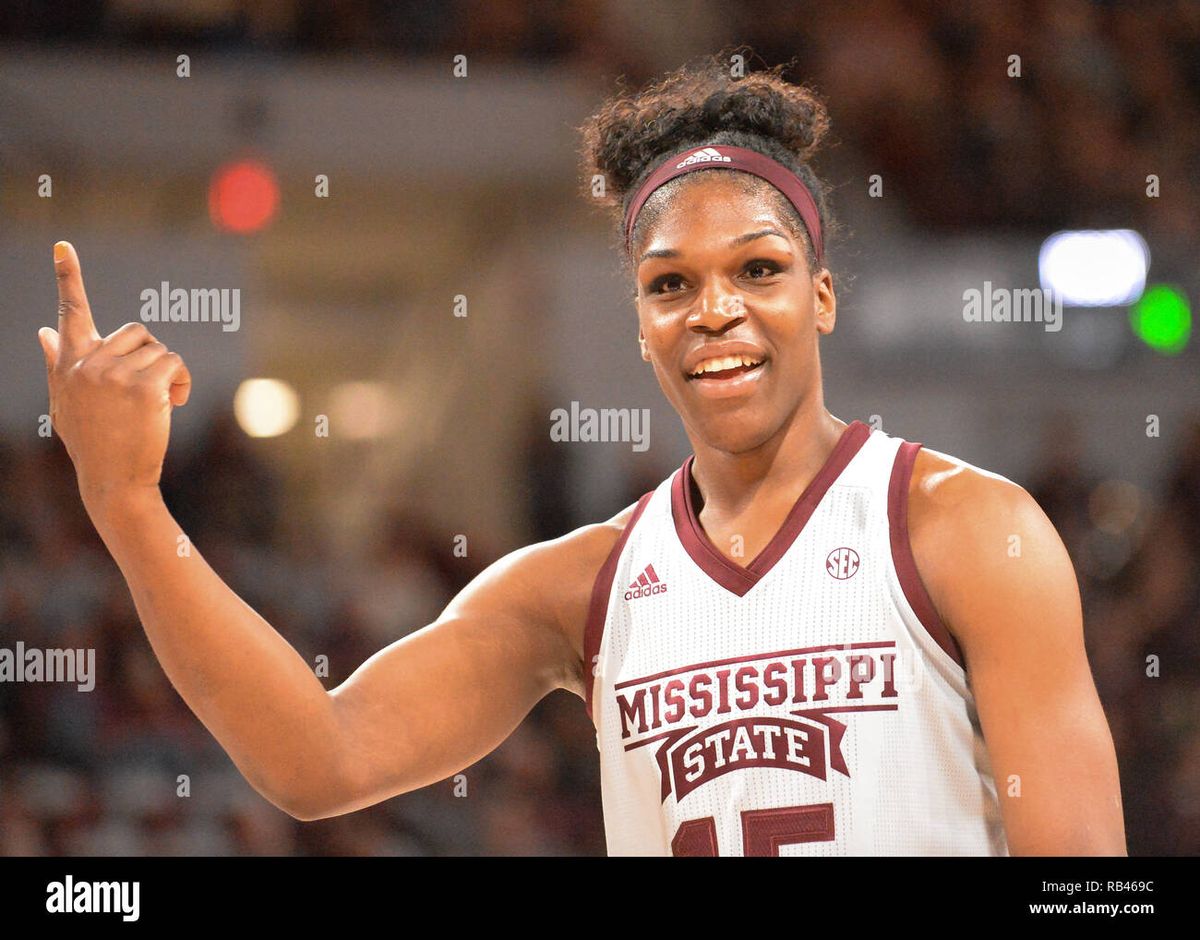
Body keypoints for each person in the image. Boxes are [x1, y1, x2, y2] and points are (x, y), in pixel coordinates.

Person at [36, 57, 1125, 856]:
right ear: (639, 320)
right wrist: (127, 503)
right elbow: (316, 760)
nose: (716, 312)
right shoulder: (581, 587)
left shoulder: (967, 529)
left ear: (822, 294)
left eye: (758, 269)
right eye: (670, 283)